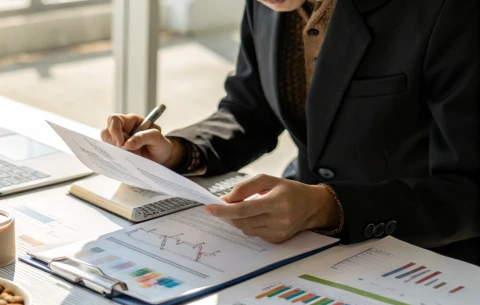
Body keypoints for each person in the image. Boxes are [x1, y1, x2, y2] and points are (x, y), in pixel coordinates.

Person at [101, 0, 479, 265]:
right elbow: (250, 110)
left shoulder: (447, 10)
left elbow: (470, 189)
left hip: (429, 255)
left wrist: (329, 206)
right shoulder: (269, 6)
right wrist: (179, 151)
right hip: (300, 248)